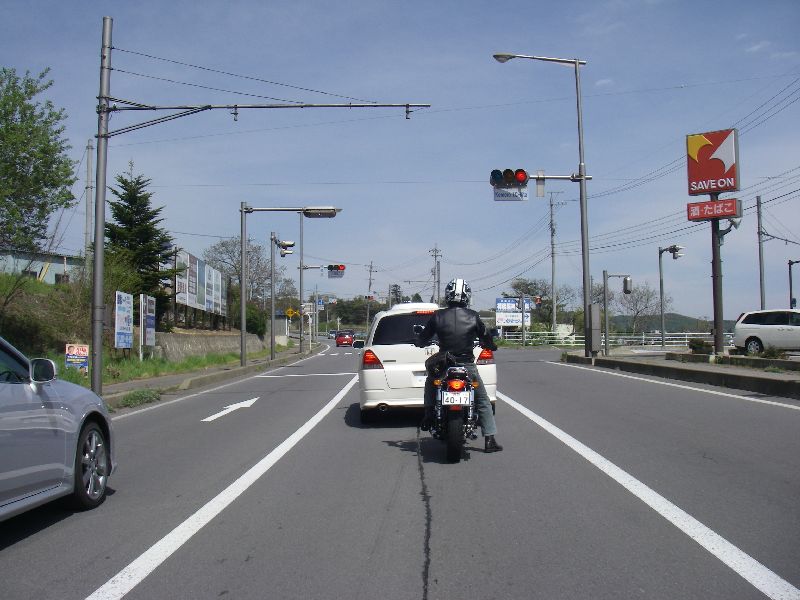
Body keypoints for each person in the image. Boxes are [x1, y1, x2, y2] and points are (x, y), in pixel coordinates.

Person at [416, 278, 503, 453]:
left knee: (430, 382)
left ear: (448, 295)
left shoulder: (438, 316)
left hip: (445, 365)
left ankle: (428, 415)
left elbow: (423, 338)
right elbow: (486, 336)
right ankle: (490, 440)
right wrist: (491, 345)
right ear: (467, 296)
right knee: (483, 401)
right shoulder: (473, 316)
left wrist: (420, 341)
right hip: (467, 365)